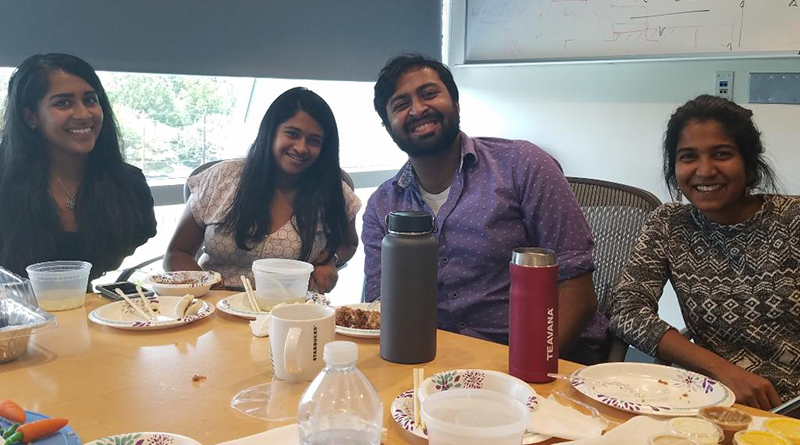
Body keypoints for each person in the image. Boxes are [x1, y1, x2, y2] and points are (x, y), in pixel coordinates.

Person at [362, 54, 599, 359]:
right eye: (401, 104)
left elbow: (576, 289)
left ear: (457, 104)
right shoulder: (383, 205)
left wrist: (528, 371)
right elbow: (381, 309)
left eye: (429, 94)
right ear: (388, 126)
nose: (418, 109)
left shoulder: (522, 165)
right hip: (436, 366)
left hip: (538, 361)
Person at [609, 95, 800, 409]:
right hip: (712, 401)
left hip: (790, 408)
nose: (705, 170)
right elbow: (626, 311)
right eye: (688, 157)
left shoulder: (792, 220)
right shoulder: (670, 225)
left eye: (722, 154)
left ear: (749, 165)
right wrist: (723, 371)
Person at [164, 87, 360, 293]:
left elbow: (348, 244)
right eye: (292, 134)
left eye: (314, 141)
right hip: (215, 307)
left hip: (290, 311)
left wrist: (331, 260)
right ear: (271, 132)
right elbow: (177, 253)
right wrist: (206, 289)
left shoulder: (334, 192)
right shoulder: (221, 178)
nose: (301, 148)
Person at [0, 53, 156, 282]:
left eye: (91, 100)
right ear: (31, 116)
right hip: (11, 313)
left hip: (85, 311)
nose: (84, 114)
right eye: (63, 103)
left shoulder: (127, 183)